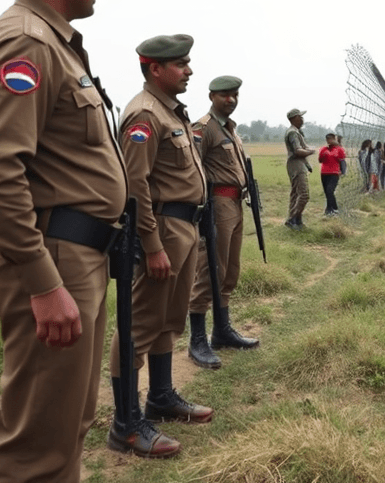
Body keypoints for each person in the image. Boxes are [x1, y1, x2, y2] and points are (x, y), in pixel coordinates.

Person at [0, 0, 128, 481]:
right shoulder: (27, 43)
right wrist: (44, 282)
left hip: (74, 255)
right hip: (54, 257)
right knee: (33, 447)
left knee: (64, 427)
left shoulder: (53, 44)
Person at [108, 34, 212, 458]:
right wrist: (151, 244)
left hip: (183, 227)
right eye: (181, 64)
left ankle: (161, 397)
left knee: (168, 319)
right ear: (155, 68)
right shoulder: (144, 114)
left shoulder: (170, 111)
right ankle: (126, 424)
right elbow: (135, 186)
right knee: (139, 323)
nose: (189, 70)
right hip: (162, 229)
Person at [188, 75, 259, 370]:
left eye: (235, 95)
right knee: (210, 271)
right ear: (211, 97)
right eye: (224, 95)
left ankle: (222, 331)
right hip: (216, 205)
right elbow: (192, 169)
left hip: (235, 204)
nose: (231, 100)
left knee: (229, 271)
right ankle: (197, 340)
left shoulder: (230, 128)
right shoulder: (203, 128)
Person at [284, 108, 315, 229]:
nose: (302, 119)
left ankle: (296, 221)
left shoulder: (297, 132)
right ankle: (293, 219)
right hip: (296, 165)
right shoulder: (293, 133)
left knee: (296, 194)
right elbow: (298, 151)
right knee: (303, 194)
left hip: (298, 164)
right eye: (300, 117)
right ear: (294, 118)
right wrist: (311, 151)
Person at [318, 132, 346, 215]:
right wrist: (323, 155)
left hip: (334, 173)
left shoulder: (339, 149)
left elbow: (342, 160)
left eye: (330, 139)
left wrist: (342, 171)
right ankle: (328, 209)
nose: (329, 141)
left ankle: (335, 208)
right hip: (324, 172)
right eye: (327, 139)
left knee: (330, 190)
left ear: (334, 139)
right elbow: (320, 160)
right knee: (327, 192)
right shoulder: (324, 149)